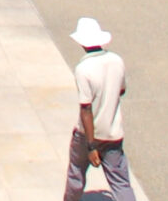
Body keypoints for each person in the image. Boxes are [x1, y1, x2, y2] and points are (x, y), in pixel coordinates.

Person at [63, 17, 133, 201]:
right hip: (113, 134)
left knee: (76, 173)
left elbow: (86, 109)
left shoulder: (83, 69)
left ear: (81, 43)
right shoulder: (116, 61)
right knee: (120, 182)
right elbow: (122, 90)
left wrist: (91, 145)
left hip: (88, 135)